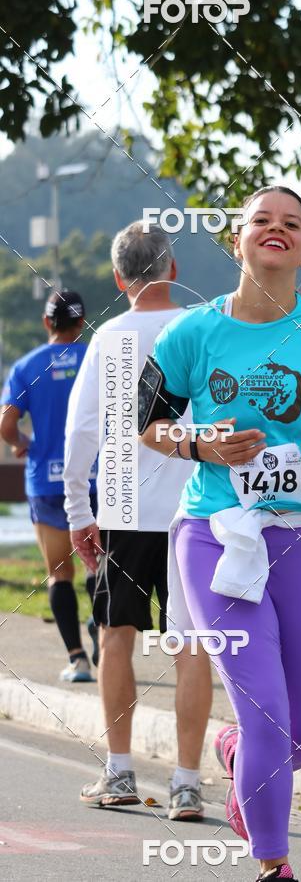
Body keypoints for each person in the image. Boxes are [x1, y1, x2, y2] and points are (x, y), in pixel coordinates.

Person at [140, 186, 301, 882]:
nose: (276, 230)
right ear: (238, 239)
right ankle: (273, 866)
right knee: (269, 715)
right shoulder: (191, 332)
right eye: (262, 221)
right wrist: (199, 444)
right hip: (217, 535)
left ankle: (230, 749)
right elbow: (146, 422)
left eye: (292, 224)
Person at [64, 222, 211, 819]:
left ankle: (120, 772)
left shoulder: (108, 338)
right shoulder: (204, 327)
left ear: (120, 278)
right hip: (196, 507)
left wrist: (78, 512)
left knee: (115, 636)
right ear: (173, 269)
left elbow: (81, 432)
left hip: (124, 506)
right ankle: (186, 783)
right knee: (190, 644)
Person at [0, 290, 98, 682]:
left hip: (46, 480)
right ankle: (103, 634)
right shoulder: (99, 358)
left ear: (46, 322)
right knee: (98, 565)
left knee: (60, 572)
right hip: (95, 477)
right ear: (81, 323)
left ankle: (77, 660)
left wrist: (22, 444)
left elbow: (6, 423)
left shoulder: (27, 366)